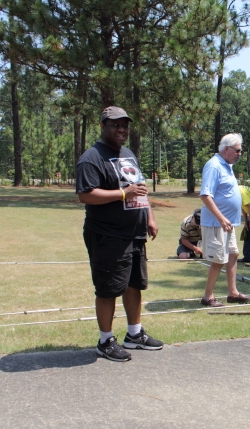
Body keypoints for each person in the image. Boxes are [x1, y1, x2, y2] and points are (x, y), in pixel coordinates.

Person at [76, 106, 163, 362]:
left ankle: (134, 335)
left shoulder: (128, 154)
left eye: (125, 125)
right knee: (108, 288)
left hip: (134, 233)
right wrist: (123, 194)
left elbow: (140, 188)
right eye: (115, 124)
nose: (121, 129)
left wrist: (150, 216)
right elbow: (86, 194)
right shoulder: (91, 158)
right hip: (107, 235)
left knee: (134, 284)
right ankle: (105, 341)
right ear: (102, 126)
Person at [199, 133, 250, 307]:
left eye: (240, 150)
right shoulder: (214, 166)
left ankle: (233, 293)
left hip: (227, 224)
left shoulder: (227, 166)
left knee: (233, 254)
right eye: (237, 150)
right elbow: (205, 195)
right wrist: (221, 218)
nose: (240, 154)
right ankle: (208, 297)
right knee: (218, 260)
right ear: (226, 149)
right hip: (217, 223)